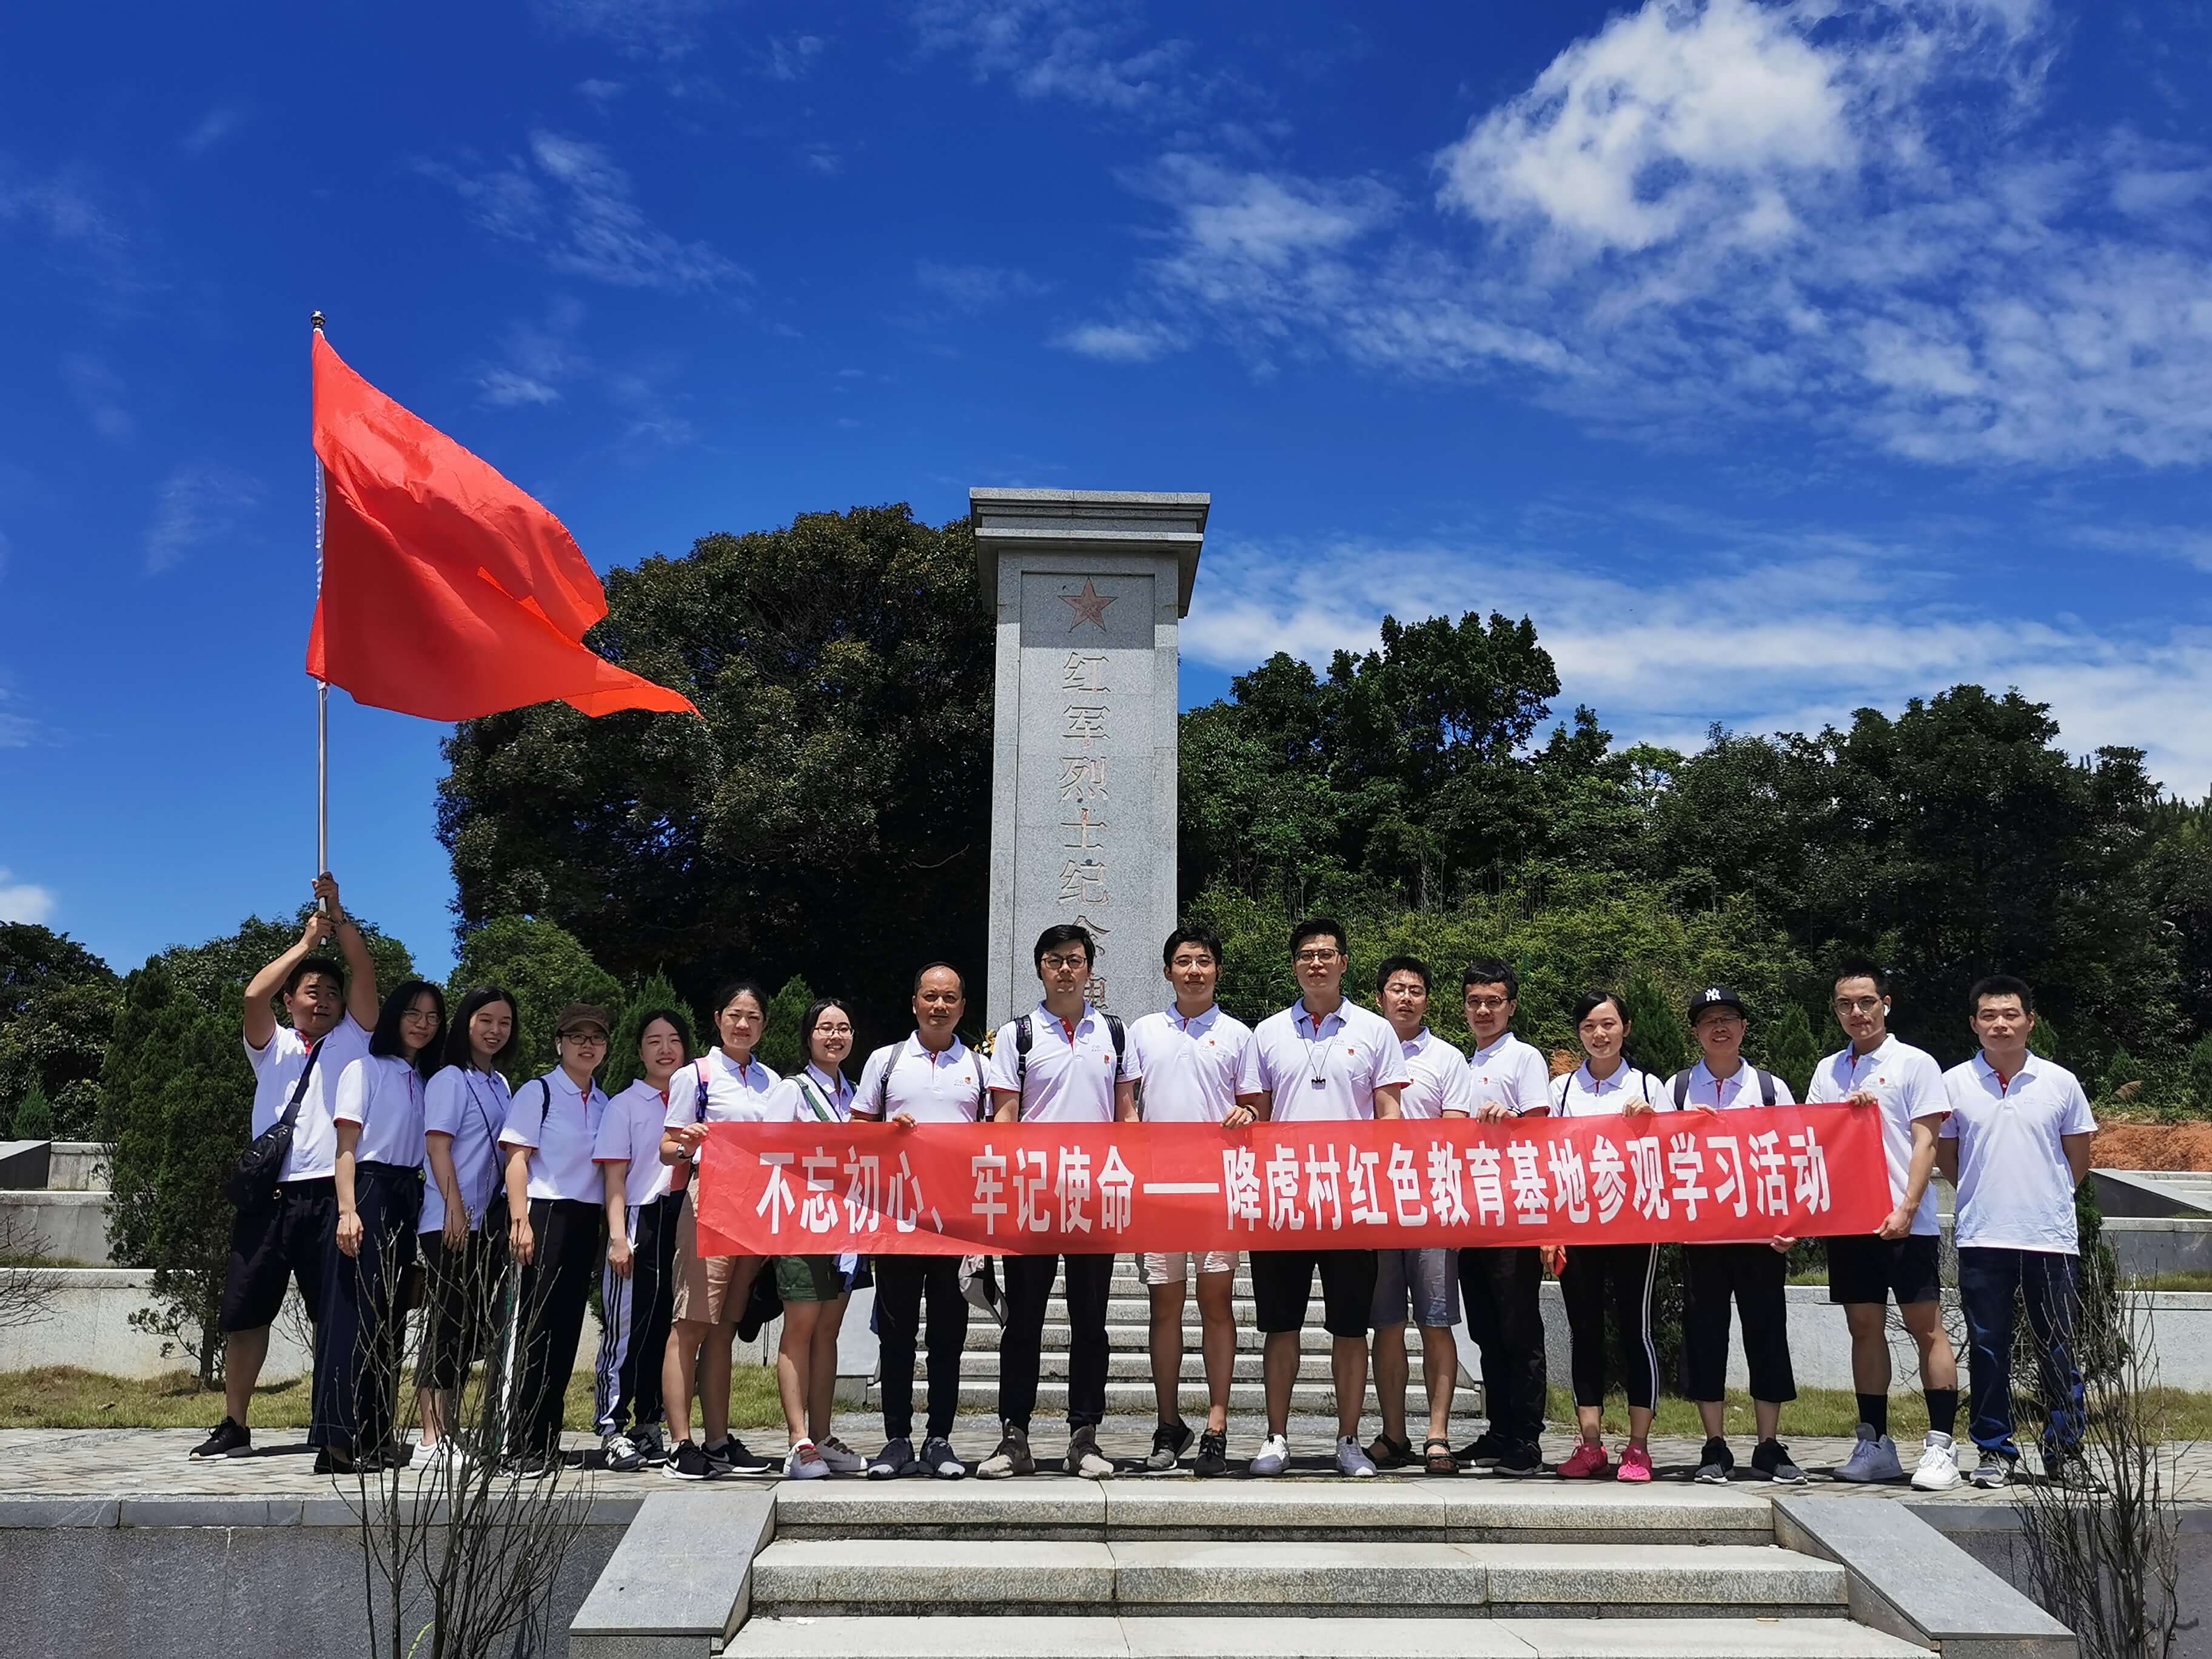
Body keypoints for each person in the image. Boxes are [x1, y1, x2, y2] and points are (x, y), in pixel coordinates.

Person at [192, 873, 381, 1461]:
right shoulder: (269, 1044)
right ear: (291, 999)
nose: (321, 997)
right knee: (247, 1315)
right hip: (269, 1202)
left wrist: (339, 916)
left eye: (330, 990)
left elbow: (366, 973)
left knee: (337, 1320)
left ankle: (333, 1427)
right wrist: (304, 944)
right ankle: (235, 1422)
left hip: (331, 1198)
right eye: (309, 990)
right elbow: (252, 995)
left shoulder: (355, 1039)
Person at [1241, 916, 1408, 1479]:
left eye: (1327, 954)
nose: (1317, 963)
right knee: (1280, 1325)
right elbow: (1258, 1112)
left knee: (1350, 1327)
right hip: (1283, 1199)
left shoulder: (1374, 1030)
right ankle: (1277, 1437)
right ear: (1294, 966)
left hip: (1351, 1199)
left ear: (1343, 963)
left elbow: (1389, 1113)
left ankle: (1348, 1439)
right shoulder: (1265, 1033)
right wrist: (1244, 1120)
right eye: (1307, 954)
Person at [978, 924, 1135, 1481]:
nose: (1065, 970)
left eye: (1075, 960)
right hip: (1031, 1198)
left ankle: (1084, 1437)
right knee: (1023, 1321)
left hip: (1095, 1196)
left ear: (1090, 970)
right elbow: (1003, 1119)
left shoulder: (1115, 1033)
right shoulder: (1017, 1035)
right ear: (1040, 968)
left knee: (1090, 1320)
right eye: (1054, 960)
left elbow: (1127, 1116)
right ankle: (1013, 1437)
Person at [1937, 975, 2096, 1490]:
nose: (2000, 1024)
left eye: (2010, 1015)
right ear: (1973, 1024)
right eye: (1988, 1016)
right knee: (1988, 1348)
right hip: (1983, 1236)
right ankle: (1994, 1450)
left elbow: (2077, 1161)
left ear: (2030, 1019)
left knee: (2057, 1348)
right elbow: (1949, 1156)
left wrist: (2040, 1199)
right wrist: (1991, 1194)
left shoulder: (2060, 1082)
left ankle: (2064, 1451)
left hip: (2049, 1239)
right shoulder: (1955, 1082)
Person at [1808, 958, 1961, 1490]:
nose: (1857, 1012)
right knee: (1864, 1328)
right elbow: (1813, 1140)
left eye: (1866, 1002)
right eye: (1846, 1004)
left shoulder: (1915, 1064)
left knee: (1927, 1327)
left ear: (1886, 1004)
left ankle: (1941, 1447)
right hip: (1851, 1224)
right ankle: (1873, 1442)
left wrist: (1908, 1207)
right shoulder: (1827, 1070)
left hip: (1905, 1222)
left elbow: (1927, 1142)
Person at [1121, 925, 1259, 1478]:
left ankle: (1217, 1425)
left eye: (1204, 960)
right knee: (1164, 1308)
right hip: (1158, 1189)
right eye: (1184, 961)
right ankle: (1168, 1422)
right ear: (1167, 971)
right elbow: (1128, 1107)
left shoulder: (1237, 1033)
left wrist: (1247, 1115)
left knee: (1217, 1304)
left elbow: (1254, 1106)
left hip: (1220, 1188)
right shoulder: (1143, 1031)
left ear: (1218, 970)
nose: (1194, 970)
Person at [851, 963, 991, 1481]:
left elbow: (992, 1141)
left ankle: (940, 1439)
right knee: (897, 1333)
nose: (939, 1006)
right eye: (930, 997)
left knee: (949, 1335)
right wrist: (887, 1131)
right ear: (914, 1003)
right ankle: (896, 1439)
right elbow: (855, 1130)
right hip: (896, 1218)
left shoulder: (978, 1067)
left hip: (954, 1221)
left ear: (961, 1006)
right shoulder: (886, 1062)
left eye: (949, 998)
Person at [1670, 988, 1805, 1487]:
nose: (1719, 1027)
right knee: (1706, 1336)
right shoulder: (1680, 1087)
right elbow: (1657, 1155)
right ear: (1697, 1033)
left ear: (1745, 1028)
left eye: (1729, 1018)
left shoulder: (1770, 1088)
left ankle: (1769, 1445)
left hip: (1761, 1236)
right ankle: (1714, 1444)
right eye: (1709, 1021)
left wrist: (1792, 1223)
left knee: (1767, 1333)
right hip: (1702, 1236)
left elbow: (1795, 1158)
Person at [313, 980, 443, 1473]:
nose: (422, 1024)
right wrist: (348, 1210)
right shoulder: (363, 1069)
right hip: (367, 1191)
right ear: (393, 1016)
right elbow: (346, 1147)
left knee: (389, 1322)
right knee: (352, 1316)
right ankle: (337, 1440)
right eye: (413, 1013)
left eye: (432, 1017)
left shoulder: (428, 1079)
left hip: (407, 1197)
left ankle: (377, 1432)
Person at [657, 982, 781, 1481]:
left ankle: (718, 1441)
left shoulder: (773, 1081)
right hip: (710, 1196)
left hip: (756, 1205)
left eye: (753, 1016)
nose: (743, 1024)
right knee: (691, 1323)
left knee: (726, 1329)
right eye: (735, 1015)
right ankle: (680, 1444)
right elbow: (667, 1146)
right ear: (717, 1018)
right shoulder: (697, 1076)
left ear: (763, 1025)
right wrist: (687, 1145)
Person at [1550, 991, 1666, 1484]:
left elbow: (1672, 1152)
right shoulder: (1561, 1089)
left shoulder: (1647, 1085)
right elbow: (1548, 1160)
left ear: (1626, 1028)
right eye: (1589, 1027)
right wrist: (1550, 1230)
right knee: (1584, 1332)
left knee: (1636, 1331)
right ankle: (1591, 1443)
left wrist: (1649, 1125)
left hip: (1636, 1225)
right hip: (1577, 1225)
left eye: (1609, 1025)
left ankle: (1638, 1448)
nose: (1599, 1035)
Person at [1367, 956, 1473, 1476]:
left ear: (1428, 999)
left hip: (1432, 1206)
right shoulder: (1360, 1048)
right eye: (1396, 989)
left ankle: (1437, 1434)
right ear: (1380, 996)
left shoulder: (1448, 1058)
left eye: (1415, 990)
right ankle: (1394, 1432)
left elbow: (1454, 1132)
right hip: (1374, 1206)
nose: (1405, 998)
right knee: (1385, 1324)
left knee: (1435, 1321)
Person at [498, 1004, 613, 1475]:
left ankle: (546, 1438)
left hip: (586, 1219)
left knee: (565, 1332)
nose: (587, 1045)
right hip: (543, 1215)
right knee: (534, 1327)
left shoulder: (606, 1102)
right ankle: (516, 1440)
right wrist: (520, 1220)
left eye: (597, 1038)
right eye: (577, 1036)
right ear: (559, 1042)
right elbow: (517, 1160)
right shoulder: (538, 1092)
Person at [1453, 958, 1555, 1477]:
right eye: (1475, 1001)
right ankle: (1498, 1430)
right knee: (1486, 1332)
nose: (1484, 1010)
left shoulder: (1525, 1058)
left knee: (1519, 1329)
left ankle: (1527, 1437)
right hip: (1471, 1216)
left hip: (1515, 1215)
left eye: (1494, 1001)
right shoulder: (1464, 1063)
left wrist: (1511, 1120)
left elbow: (1540, 1133)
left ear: (1511, 1006)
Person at [761, 998, 870, 1480]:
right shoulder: (793, 1091)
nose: (835, 1036)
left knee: (829, 1331)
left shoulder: (859, 1093)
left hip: (847, 1226)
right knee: (801, 1328)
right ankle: (797, 1440)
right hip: (802, 1222)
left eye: (843, 1028)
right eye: (825, 1028)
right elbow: (767, 1152)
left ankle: (823, 1436)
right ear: (808, 1036)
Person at [416, 985, 518, 1466]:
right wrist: (454, 1205)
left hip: (485, 1224)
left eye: (504, 1022)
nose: (495, 1031)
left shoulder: (501, 1084)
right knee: (445, 1322)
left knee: (466, 1327)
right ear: (465, 1023)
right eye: (486, 1020)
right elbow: (438, 1148)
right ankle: (430, 1437)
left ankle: (450, 1428)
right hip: (448, 1220)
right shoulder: (449, 1080)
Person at [591, 1007, 692, 1472]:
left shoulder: (697, 1100)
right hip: (638, 1219)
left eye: (674, 1040)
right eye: (654, 1041)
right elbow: (614, 1177)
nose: (665, 1049)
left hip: (685, 1219)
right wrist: (617, 1238)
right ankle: (611, 1426)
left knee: (667, 1332)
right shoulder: (625, 1105)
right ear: (639, 1052)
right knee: (626, 1330)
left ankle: (649, 1424)